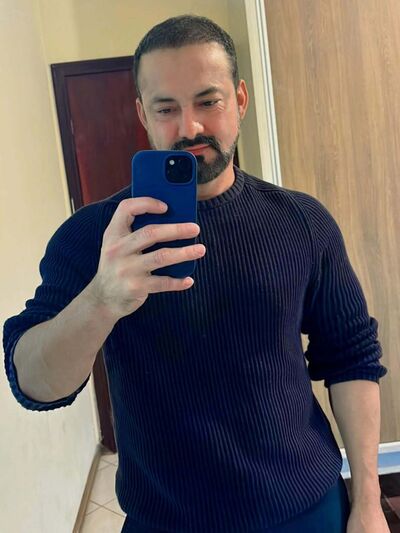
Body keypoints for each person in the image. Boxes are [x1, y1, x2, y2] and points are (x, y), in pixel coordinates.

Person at [3, 14, 389, 533]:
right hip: (167, 521)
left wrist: (368, 499)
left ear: (241, 100)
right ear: (142, 113)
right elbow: (34, 383)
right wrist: (101, 300)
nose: (189, 128)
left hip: (307, 508)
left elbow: (351, 356)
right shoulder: (93, 236)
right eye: (166, 108)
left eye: (209, 102)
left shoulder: (302, 221)